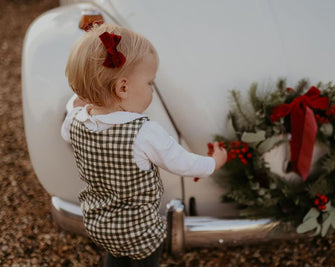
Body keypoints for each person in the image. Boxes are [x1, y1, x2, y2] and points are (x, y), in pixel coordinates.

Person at [61, 23, 227, 267]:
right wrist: (214, 162)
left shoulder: (75, 121)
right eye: (150, 83)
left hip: (99, 225)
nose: (152, 88)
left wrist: (79, 100)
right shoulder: (143, 133)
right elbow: (183, 163)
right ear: (123, 88)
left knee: (115, 256)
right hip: (139, 232)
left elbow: (72, 112)